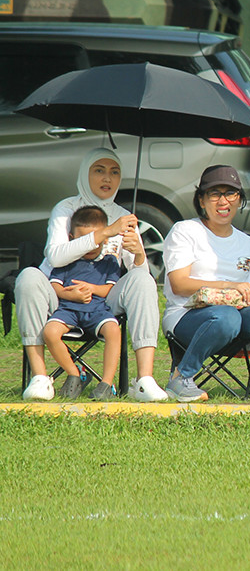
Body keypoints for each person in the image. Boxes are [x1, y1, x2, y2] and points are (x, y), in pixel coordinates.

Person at [18, 148, 168, 402]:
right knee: (28, 277)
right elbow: (54, 256)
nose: (107, 178)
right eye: (99, 171)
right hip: (59, 295)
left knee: (143, 280)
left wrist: (138, 255)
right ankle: (40, 378)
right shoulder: (66, 208)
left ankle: (145, 380)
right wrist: (105, 233)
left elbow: (138, 276)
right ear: (85, 173)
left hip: (103, 299)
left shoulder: (124, 215)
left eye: (114, 172)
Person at [162, 165, 250, 402]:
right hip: (186, 315)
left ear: (239, 199)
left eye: (231, 193)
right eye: (214, 193)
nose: (223, 201)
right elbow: (179, 284)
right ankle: (182, 378)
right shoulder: (185, 231)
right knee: (227, 317)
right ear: (201, 200)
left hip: (236, 321)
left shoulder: (249, 244)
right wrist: (228, 285)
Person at [41, 206, 122, 401]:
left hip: (97, 310)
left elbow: (110, 289)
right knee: (50, 333)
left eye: (95, 240)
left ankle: (106, 383)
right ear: (71, 238)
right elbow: (55, 286)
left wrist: (92, 288)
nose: (90, 246)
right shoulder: (66, 261)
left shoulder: (109, 261)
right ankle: (74, 372)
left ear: (105, 239)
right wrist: (72, 296)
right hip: (68, 309)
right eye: (84, 240)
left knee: (113, 330)